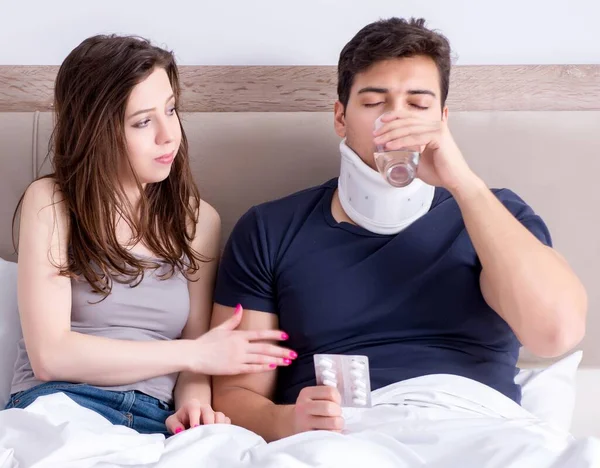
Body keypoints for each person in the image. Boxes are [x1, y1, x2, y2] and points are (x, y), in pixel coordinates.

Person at [210, 17, 587, 442]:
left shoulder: (497, 213)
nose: (397, 121)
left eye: (419, 106)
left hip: (479, 425)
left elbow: (555, 334)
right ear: (340, 117)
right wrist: (287, 421)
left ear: (444, 119)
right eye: (374, 103)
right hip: (344, 438)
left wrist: (464, 184)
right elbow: (234, 393)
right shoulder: (270, 230)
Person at [4, 34, 295, 437]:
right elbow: (51, 356)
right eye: (143, 121)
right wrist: (195, 353)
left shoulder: (197, 221)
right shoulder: (52, 201)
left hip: (155, 418)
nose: (168, 135)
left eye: (171, 110)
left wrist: (195, 407)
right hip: (62, 405)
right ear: (96, 131)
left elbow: (197, 361)